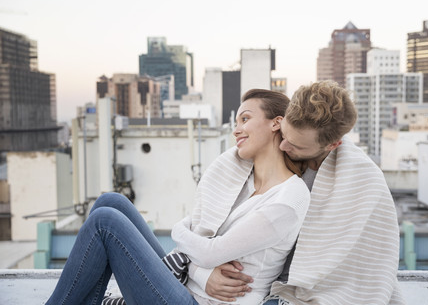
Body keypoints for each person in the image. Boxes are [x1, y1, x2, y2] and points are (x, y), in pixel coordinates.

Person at [45, 89, 310, 305]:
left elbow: (210, 252)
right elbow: (204, 242)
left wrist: (179, 230)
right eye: (236, 122)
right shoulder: (240, 176)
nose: (236, 130)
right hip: (190, 286)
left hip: (208, 303)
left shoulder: (289, 197)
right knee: (111, 202)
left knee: (104, 222)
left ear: (277, 123)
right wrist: (202, 275)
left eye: (245, 119)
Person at [198, 80, 405, 305]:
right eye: (285, 135)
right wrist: (202, 273)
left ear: (332, 145)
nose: (284, 147)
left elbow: (372, 262)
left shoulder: (363, 181)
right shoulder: (266, 157)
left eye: (295, 145)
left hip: (282, 293)